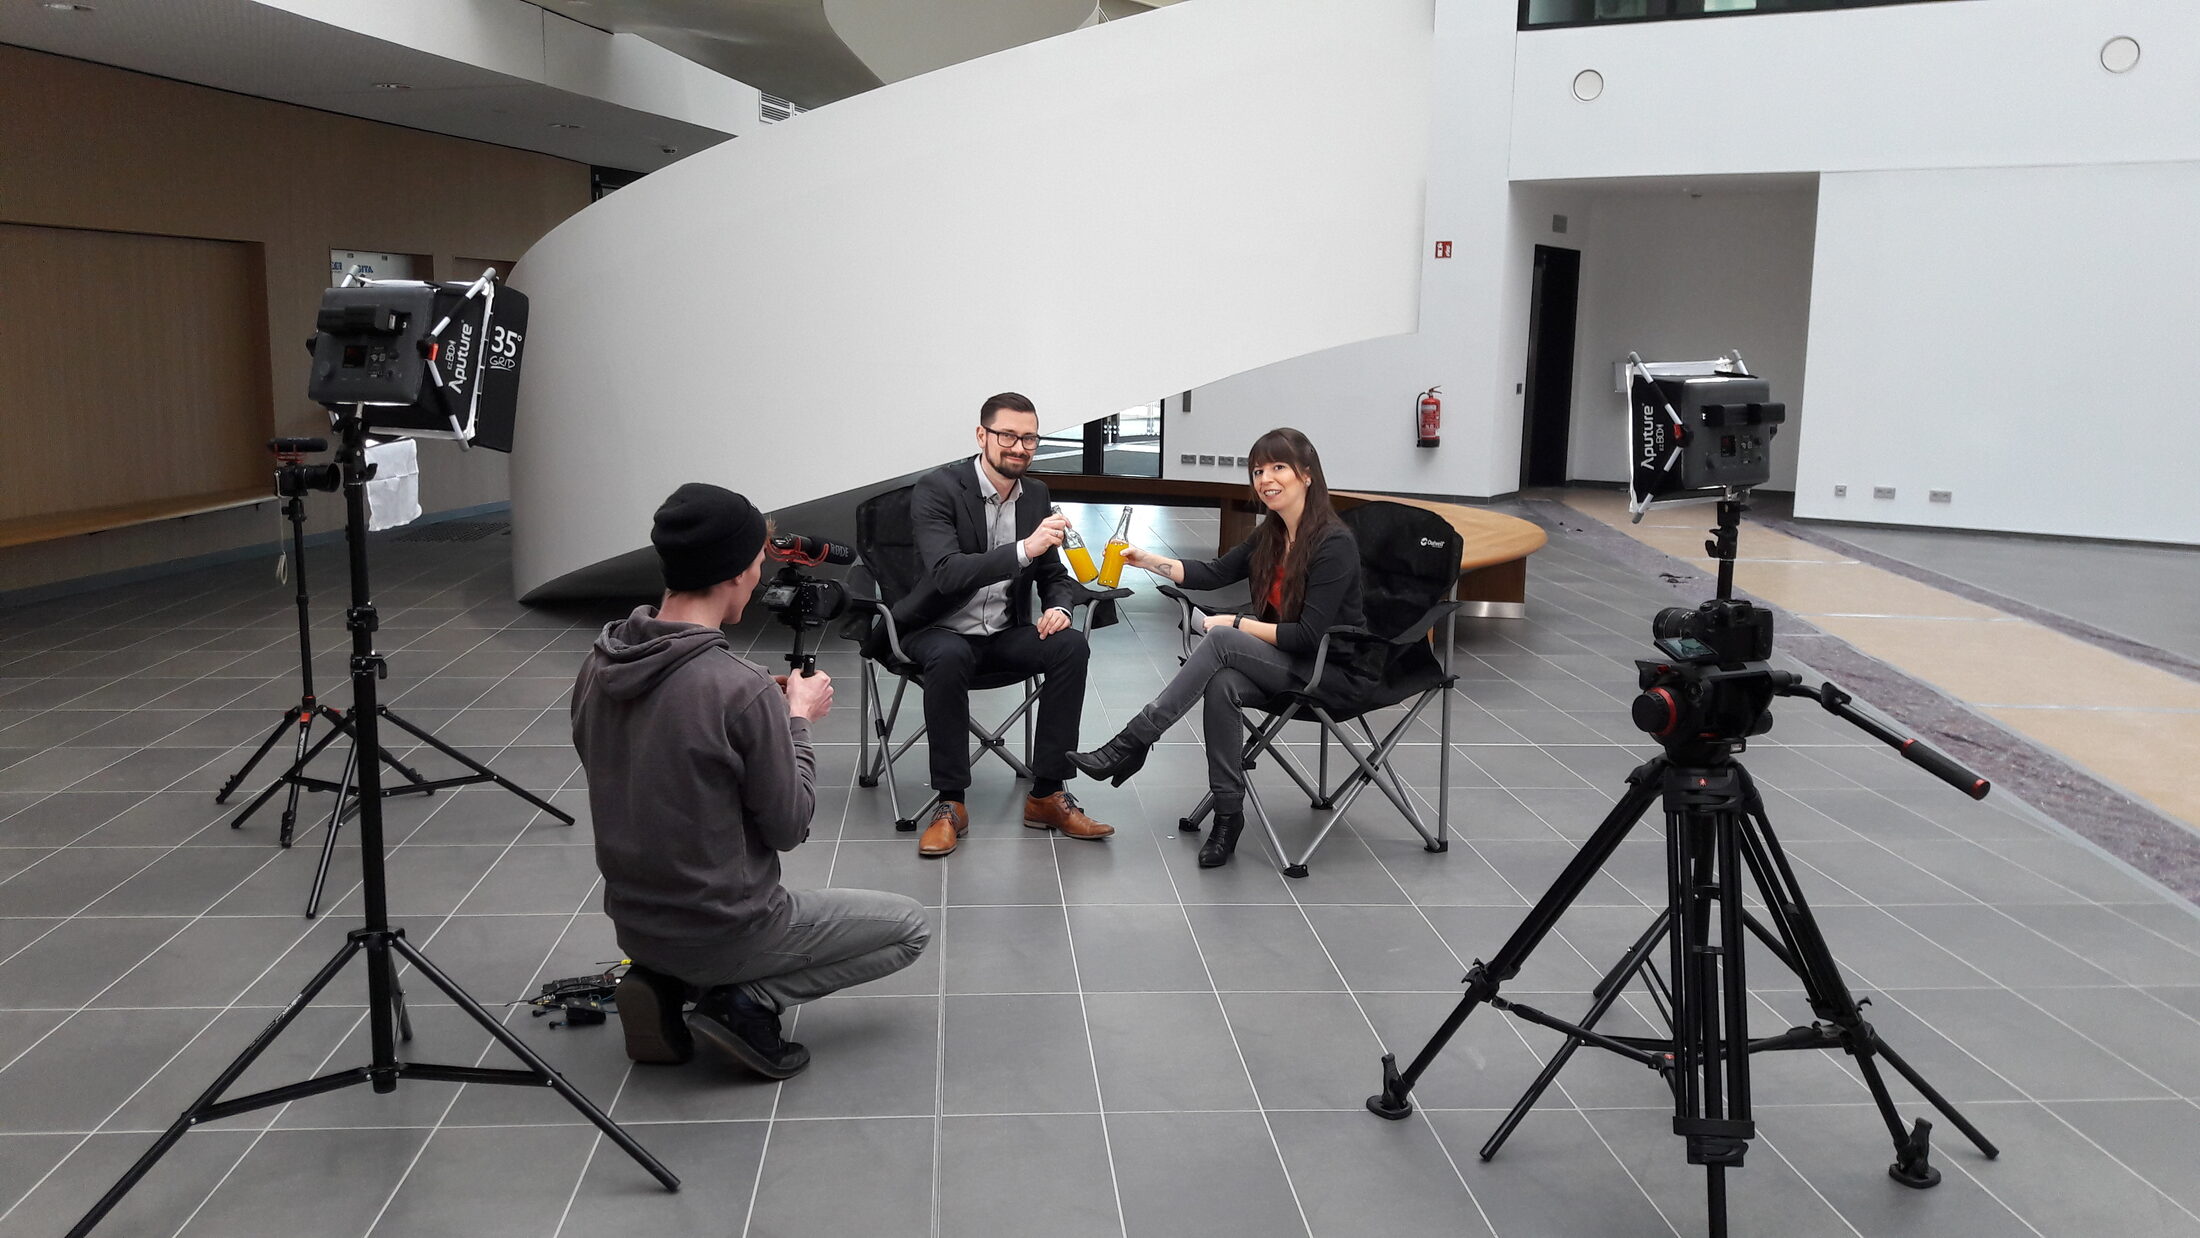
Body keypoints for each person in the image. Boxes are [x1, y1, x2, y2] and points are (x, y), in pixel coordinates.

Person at [572, 482, 928, 1079]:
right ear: (738, 571)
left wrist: (763, 698)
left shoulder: (600, 663)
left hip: (635, 922)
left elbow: (671, 728)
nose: (763, 577)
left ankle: (663, 977)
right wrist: (794, 720)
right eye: (760, 564)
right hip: (726, 929)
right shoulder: (740, 692)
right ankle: (743, 1000)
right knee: (909, 927)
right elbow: (791, 824)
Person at [1069, 428, 1366, 867]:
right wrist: (1147, 560)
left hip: (1329, 668)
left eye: (1278, 467)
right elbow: (1212, 572)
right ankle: (1228, 815)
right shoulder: (1271, 534)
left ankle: (1131, 742)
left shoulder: (1333, 543)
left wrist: (1237, 622)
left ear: (1306, 475)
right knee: (1223, 682)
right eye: (1258, 470)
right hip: (1288, 663)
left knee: (1225, 637)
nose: (1266, 479)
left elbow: (1307, 636)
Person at [893, 392, 1115, 858]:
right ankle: (951, 803)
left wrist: (1060, 607)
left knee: (1070, 646)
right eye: (1008, 436)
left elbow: (1054, 574)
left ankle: (1047, 795)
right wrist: (1023, 550)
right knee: (950, 654)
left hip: (1000, 634)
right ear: (982, 436)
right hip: (937, 629)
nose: (1020, 447)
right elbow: (947, 572)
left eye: (1029, 437)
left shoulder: (1036, 494)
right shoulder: (938, 488)